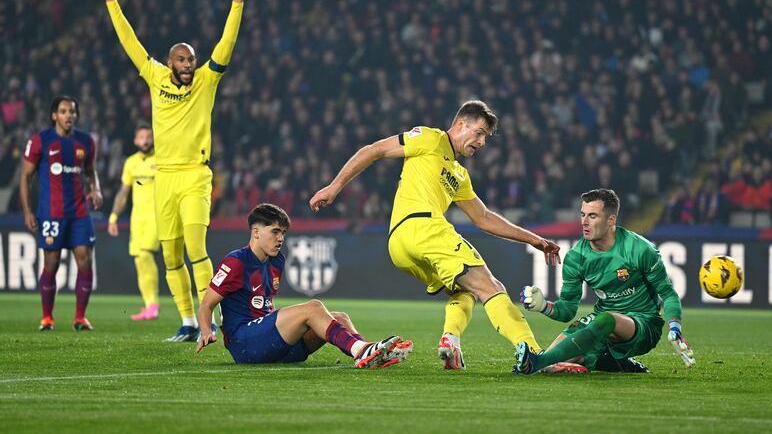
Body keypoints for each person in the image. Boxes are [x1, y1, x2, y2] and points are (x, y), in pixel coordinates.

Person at [309, 100, 560, 372]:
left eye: (485, 137)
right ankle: (536, 355)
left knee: (464, 290)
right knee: (492, 287)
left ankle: (450, 341)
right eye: (479, 133)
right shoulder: (430, 138)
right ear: (461, 124)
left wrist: (533, 239)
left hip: (400, 244)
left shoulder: (459, 175)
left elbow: (483, 218)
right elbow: (375, 150)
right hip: (424, 228)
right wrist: (334, 187)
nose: (482, 142)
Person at [99, 0, 247, 342]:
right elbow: (130, 42)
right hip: (164, 176)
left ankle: (208, 321)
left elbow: (226, 44)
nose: (188, 65)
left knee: (196, 248)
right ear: (170, 62)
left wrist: (238, 0)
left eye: (191, 60)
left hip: (195, 175)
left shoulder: (206, 81)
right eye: (182, 60)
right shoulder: (154, 76)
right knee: (170, 257)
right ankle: (185, 321)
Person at [196, 203, 413, 368]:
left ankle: (370, 353)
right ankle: (362, 351)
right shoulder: (236, 262)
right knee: (313, 308)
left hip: (272, 344)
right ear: (256, 232)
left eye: (283, 233)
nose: (281, 238)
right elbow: (206, 305)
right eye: (275, 231)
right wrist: (206, 331)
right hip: (245, 344)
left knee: (340, 318)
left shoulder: (277, 260)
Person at [520, 188, 695, 374]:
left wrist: (675, 327)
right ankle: (611, 363)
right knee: (557, 357)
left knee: (605, 319)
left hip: (643, 325)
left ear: (611, 220)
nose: (584, 222)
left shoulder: (640, 249)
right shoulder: (576, 257)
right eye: (582, 215)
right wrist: (543, 306)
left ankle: (536, 362)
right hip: (602, 321)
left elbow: (668, 293)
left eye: (592, 216)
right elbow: (567, 310)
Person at [20, 96, 103, 331]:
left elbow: (90, 171)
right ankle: (47, 317)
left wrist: (95, 189)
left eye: (72, 111)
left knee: (85, 260)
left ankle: (80, 317)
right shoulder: (40, 141)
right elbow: (25, 177)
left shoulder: (85, 141)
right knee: (52, 262)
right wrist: (27, 211)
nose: (69, 115)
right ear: (54, 115)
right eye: (64, 111)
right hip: (51, 212)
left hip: (79, 211)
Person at [107, 124, 160, 321]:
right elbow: (124, 192)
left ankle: (154, 304)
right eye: (141, 137)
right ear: (136, 140)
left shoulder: (162, 160)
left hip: (158, 216)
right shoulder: (130, 163)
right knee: (139, 259)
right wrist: (113, 216)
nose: (145, 140)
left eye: (148, 136)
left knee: (145, 254)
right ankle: (148, 305)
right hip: (137, 218)